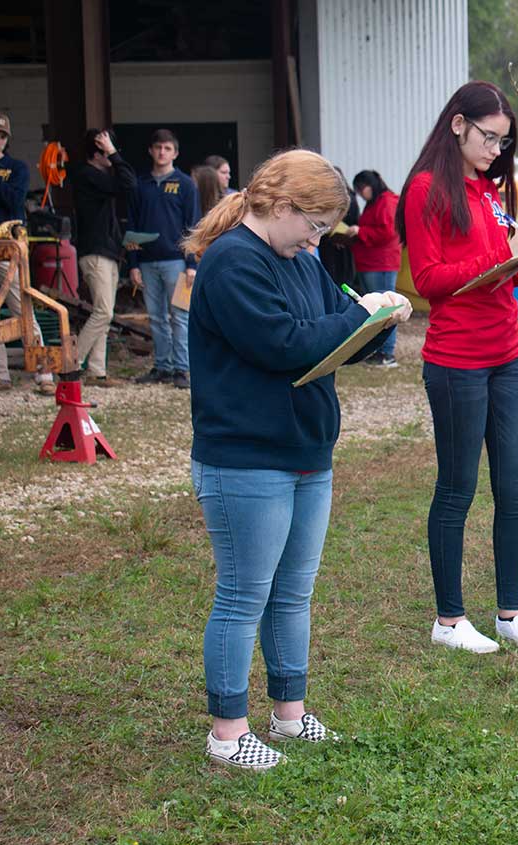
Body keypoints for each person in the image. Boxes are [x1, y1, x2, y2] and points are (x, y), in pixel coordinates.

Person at [183, 148, 412, 770]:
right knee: (244, 594)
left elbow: (338, 328)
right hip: (246, 457)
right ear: (281, 206)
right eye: (314, 225)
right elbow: (284, 344)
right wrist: (356, 316)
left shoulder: (302, 260)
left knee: (292, 593)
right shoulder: (233, 263)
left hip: (308, 450)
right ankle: (227, 733)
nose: (318, 240)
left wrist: (380, 320)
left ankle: (288, 713)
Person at [397, 81, 518, 653]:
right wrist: (506, 254)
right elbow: (431, 281)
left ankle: (509, 613)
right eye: (489, 137)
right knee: (458, 485)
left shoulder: (490, 191)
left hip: (506, 355)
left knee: (515, 484)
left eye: (504, 141)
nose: (496, 150)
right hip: (456, 360)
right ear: (458, 124)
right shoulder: (425, 190)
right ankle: (448, 621)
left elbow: (501, 276)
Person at [0, 110, 50, 394]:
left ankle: (43, 369)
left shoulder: (16, 167)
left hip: (9, 244)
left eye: (2, 136)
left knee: (21, 305)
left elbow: (14, 202)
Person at [128, 128, 201, 389]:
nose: (162, 152)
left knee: (180, 316)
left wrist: (192, 264)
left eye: (167, 148)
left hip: (177, 262)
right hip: (147, 263)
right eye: (158, 147)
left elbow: (193, 226)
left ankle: (182, 369)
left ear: (175, 153)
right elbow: (133, 226)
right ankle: (162, 366)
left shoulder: (185, 185)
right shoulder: (140, 184)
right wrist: (133, 263)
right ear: (151, 150)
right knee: (156, 317)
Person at [72, 129, 137, 386]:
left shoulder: (95, 177)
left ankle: (97, 371)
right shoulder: (88, 175)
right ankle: (73, 362)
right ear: (97, 152)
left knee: (105, 312)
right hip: (95, 252)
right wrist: (114, 153)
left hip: (105, 251)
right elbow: (129, 183)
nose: (111, 156)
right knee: (102, 312)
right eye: (107, 151)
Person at [347, 169, 402, 367]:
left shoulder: (387, 202)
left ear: (371, 186)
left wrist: (360, 231)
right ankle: (378, 350)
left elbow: (387, 232)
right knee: (374, 307)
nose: (361, 194)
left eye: (362, 189)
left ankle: (387, 352)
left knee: (387, 307)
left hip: (382, 263)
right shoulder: (375, 203)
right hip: (370, 262)